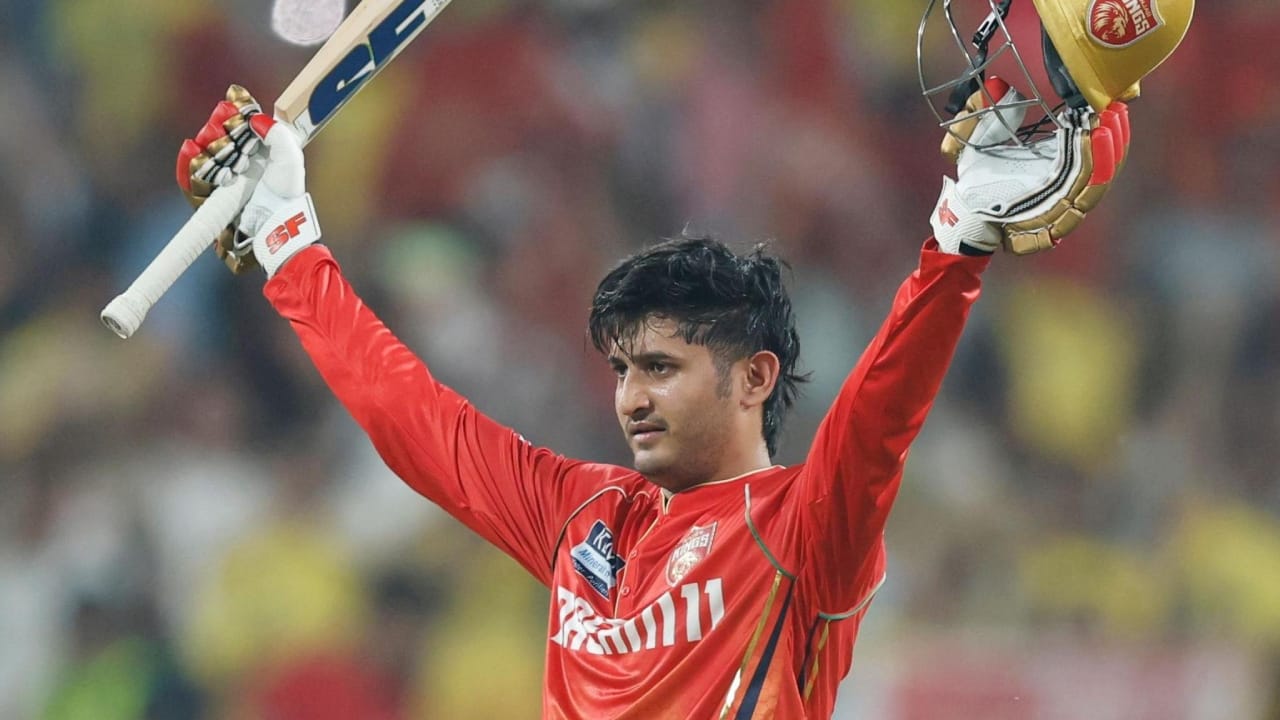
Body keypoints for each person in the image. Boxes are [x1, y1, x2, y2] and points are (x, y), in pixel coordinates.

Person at [174, 70, 1128, 718]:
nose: (630, 396)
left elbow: (879, 420)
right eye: (623, 370)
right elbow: (417, 422)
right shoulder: (584, 515)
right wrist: (289, 243)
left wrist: (955, 247)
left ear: (754, 377)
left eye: (660, 368)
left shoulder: (801, 533)